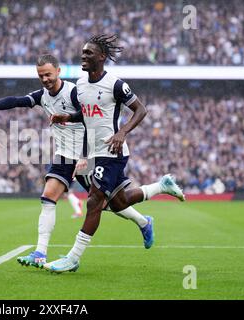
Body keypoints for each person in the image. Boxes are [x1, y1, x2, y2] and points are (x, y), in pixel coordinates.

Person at [0, 54, 155, 270]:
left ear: (58, 71)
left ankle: (143, 222)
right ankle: (40, 252)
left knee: (109, 203)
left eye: (48, 74)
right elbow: (17, 101)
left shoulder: (75, 92)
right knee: (48, 197)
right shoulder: (43, 96)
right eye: (41, 75)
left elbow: (90, 122)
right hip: (64, 155)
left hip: (87, 155)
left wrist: (85, 156)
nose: (45, 79)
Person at [45, 34, 185, 273]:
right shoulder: (80, 85)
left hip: (112, 151)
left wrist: (123, 133)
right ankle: (159, 190)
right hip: (92, 153)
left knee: (94, 201)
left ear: (102, 57)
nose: (83, 56)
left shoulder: (116, 84)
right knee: (117, 202)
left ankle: (73, 258)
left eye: (88, 53)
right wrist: (68, 117)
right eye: (82, 52)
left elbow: (141, 110)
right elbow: (87, 115)